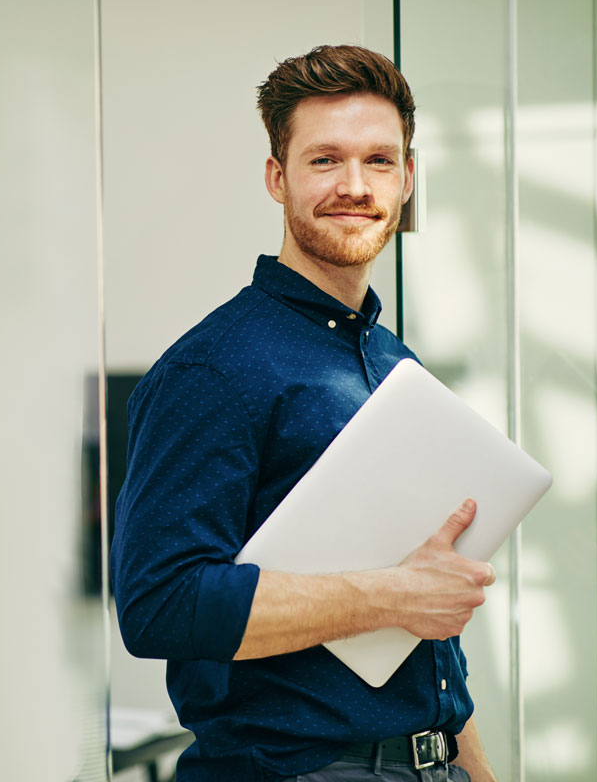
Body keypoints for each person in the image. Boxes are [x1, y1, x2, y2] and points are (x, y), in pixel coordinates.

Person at [110, 45, 498, 782]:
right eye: (325, 160)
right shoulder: (214, 368)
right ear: (276, 178)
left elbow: (431, 637)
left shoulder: (394, 365)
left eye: (380, 161)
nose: (355, 186)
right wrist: (393, 594)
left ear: (408, 179)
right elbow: (158, 603)